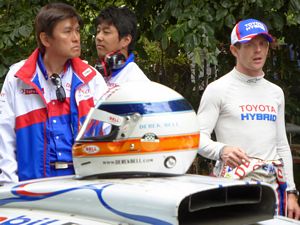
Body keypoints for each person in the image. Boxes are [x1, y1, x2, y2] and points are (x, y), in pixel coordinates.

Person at [197, 18, 300, 220]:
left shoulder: (275, 92)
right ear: (234, 50)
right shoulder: (218, 89)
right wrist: (222, 150)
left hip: (272, 190)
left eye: (263, 44)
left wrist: (291, 191)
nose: (258, 50)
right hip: (232, 189)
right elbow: (196, 138)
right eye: (250, 45)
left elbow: (281, 145)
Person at [0, 3, 108, 184]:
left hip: (84, 185)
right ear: (46, 39)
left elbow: (108, 132)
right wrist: (10, 187)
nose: (76, 38)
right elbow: (4, 136)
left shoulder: (91, 78)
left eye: (77, 31)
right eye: (67, 31)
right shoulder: (18, 77)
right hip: (32, 186)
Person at [94, 6, 149, 85]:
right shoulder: (99, 76)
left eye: (106, 32)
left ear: (126, 40)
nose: (98, 37)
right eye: (98, 31)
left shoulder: (135, 81)